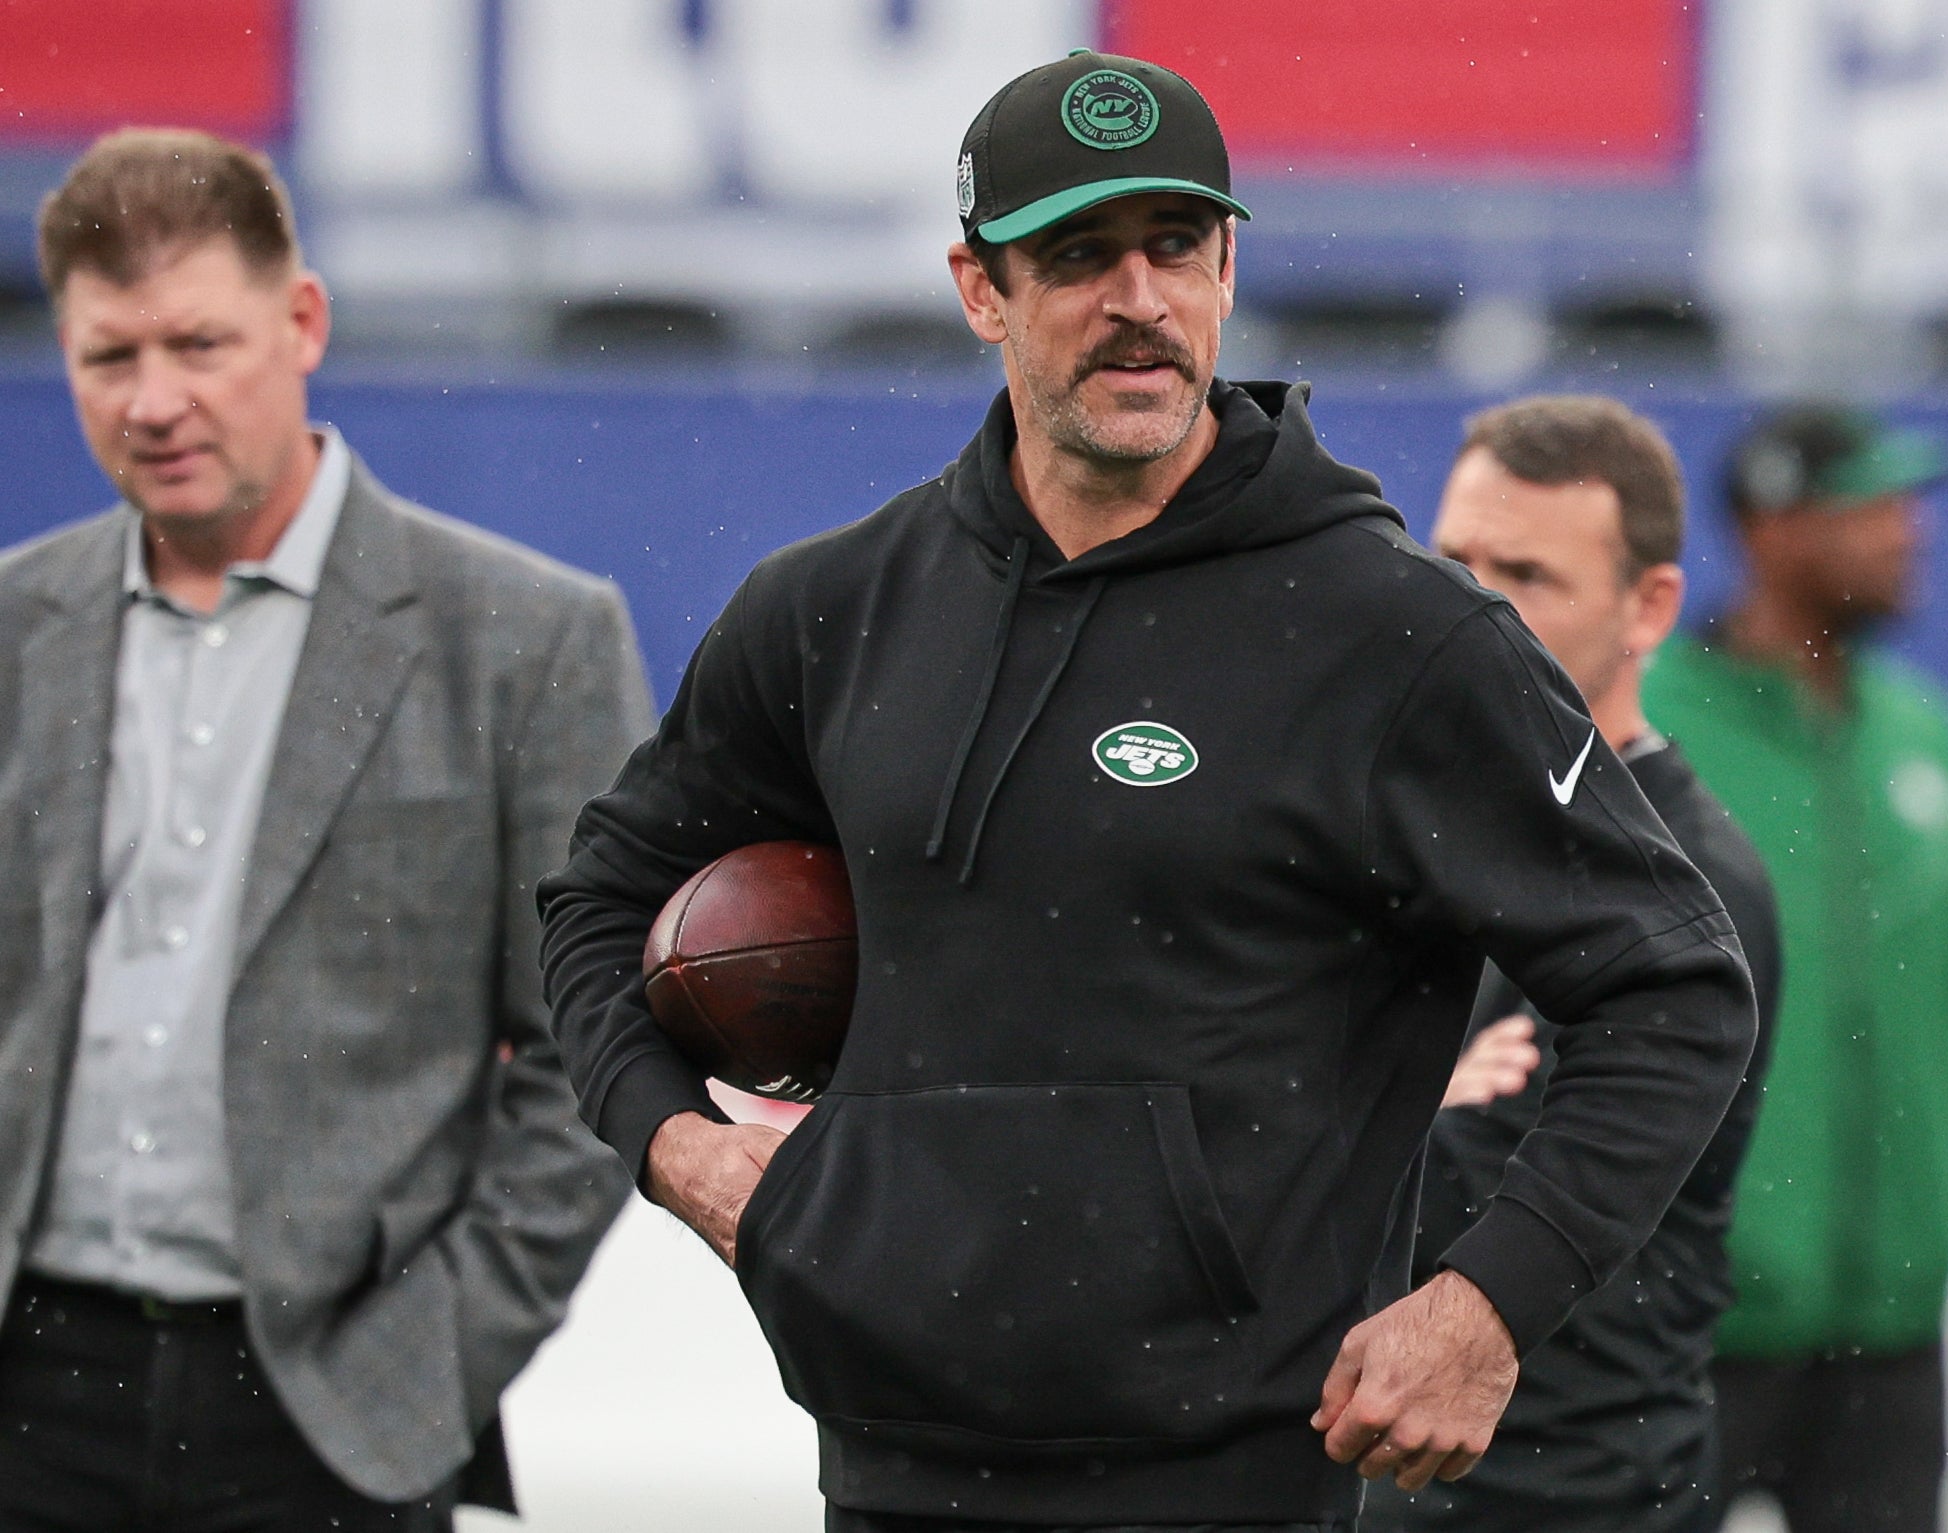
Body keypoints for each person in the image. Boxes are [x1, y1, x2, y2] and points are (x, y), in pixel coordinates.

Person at [539, 52, 1756, 1533]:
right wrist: (681, 1150)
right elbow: (600, 898)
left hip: (1230, 1481)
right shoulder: (833, 608)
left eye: (1175, 246)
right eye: (1076, 255)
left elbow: (1675, 986)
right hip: (886, 1458)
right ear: (980, 288)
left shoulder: (1397, 634)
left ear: (1228, 266)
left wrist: (1486, 1304)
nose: (1139, 298)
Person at [0, 130, 652, 1530]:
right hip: (27, 1390)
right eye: (110, 357)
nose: (156, 399)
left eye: (198, 343)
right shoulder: (13, 627)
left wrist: (425, 1371)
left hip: (328, 1414)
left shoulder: (527, 640)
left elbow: (591, 1051)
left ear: (302, 323)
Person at [1364, 397, 1782, 1533]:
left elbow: (1463, 1196)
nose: (1472, 605)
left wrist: (1341, 1096)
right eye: (1453, 561)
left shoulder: (1689, 884)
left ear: (1648, 606)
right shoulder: (1413, 828)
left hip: (1569, 1493)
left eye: (1528, 575)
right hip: (1397, 1479)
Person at [1643, 405, 1948, 1532]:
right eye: (1871, 507)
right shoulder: (1646, 724)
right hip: (1686, 1328)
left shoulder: (1929, 733)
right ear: (1772, 530)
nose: (1909, 532)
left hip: (1893, 1326)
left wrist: (1942, 1205)